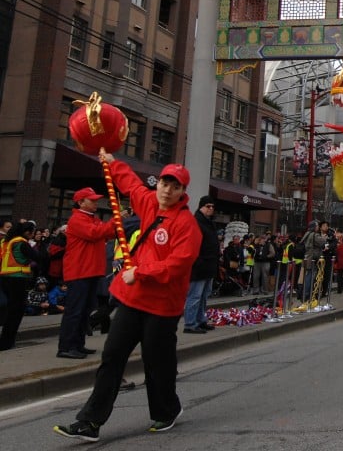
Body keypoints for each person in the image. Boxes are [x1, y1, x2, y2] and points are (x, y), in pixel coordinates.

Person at [53, 154, 200, 441]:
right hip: (133, 299)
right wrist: (110, 161)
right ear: (158, 184)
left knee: (156, 362)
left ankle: (167, 410)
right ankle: (90, 422)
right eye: (164, 183)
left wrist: (142, 272)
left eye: (175, 186)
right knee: (112, 356)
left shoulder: (186, 225)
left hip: (162, 306)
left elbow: (179, 263)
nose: (167, 190)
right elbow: (130, 184)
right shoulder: (148, 202)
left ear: (183, 191)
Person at [57, 187, 116, 359]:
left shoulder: (92, 218)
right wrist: (115, 221)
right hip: (79, 271)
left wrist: (118, 221)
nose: (95, 202)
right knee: (75, 311)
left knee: (84, 310)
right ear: (81, 202)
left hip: (89, 270)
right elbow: (95, 233)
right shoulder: (77, 219)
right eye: (91, 200)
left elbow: (107, 232)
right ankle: (66, 346)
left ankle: (77, 344)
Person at [1, 219, 47, 350]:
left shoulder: (7, 242)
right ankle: (7, 342)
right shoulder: (21, 243)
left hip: (5, 278)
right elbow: (39, 257)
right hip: (18, 279)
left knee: (11, 311)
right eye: (32, 233)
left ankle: (6, 340)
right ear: (27, 233)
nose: (33, 236)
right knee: (16, 311)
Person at [183, 196, 219, 334]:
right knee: (195, 296)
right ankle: (190, 323)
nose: (211, 209)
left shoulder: (209, 223)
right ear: (201, 206)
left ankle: (200, 320)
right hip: (199, 266)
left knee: (204, 296)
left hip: (209, 265)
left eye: (212, 207)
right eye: (208, 206)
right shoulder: (196, 222)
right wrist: (197, 262)